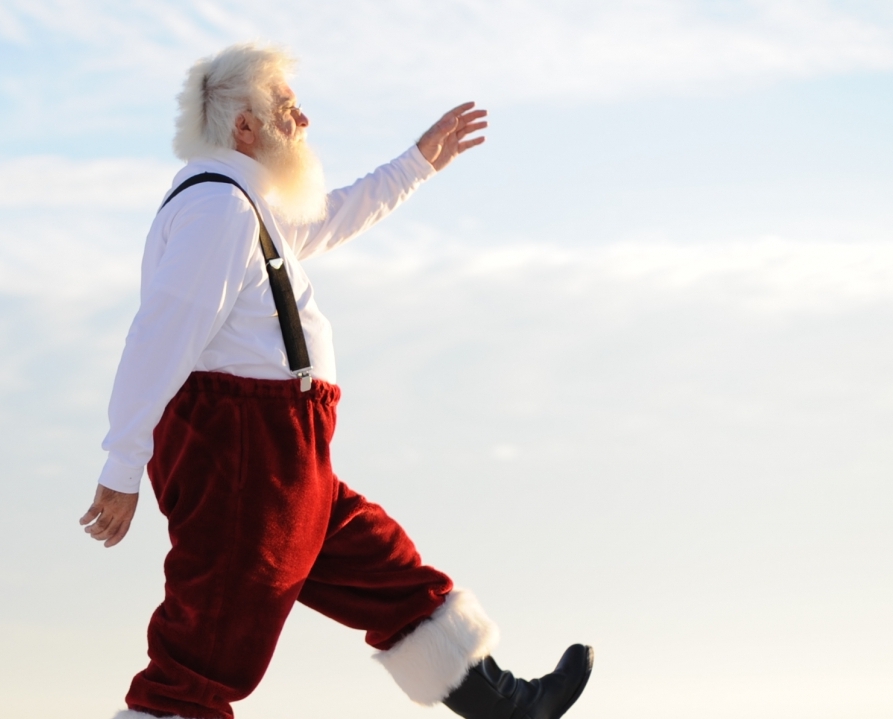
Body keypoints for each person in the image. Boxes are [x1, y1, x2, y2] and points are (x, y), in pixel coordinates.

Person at [80, 42, 593, 719]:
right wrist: (122, 463)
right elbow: (160, 335)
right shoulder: (219, 211)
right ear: (245, 127)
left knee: (386, 570)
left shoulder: (245, 202)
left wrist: (419, 163)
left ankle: (504, 705)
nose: (304, 121)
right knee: (209, 644)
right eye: (287, 108)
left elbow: (327, 219)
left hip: (283, 451)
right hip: (244, 453)